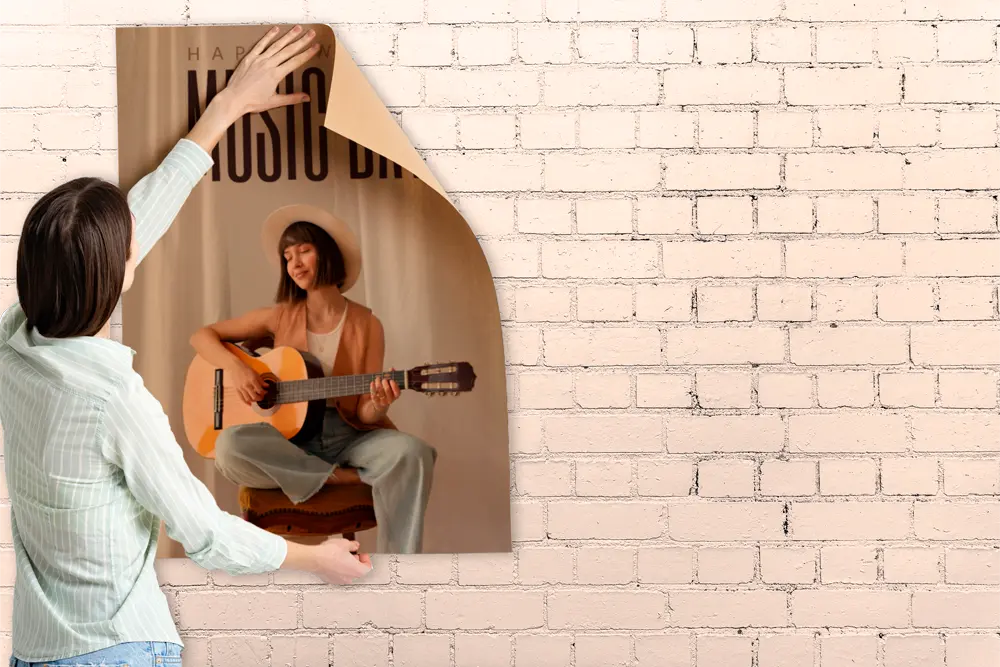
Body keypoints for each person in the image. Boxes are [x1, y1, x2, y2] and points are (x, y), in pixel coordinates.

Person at [0, 26, 373, 667]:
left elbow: (133, 221)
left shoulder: (13, 345)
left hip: (36, 652)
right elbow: (201, 532)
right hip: (118, 651)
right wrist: (317, 559)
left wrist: (225, 109)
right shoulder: (115, 399)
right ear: (119, 272)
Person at [188, 203, 437, 555]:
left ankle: (399, 567)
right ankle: (344, 475)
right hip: (289, 441)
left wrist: (377, 405)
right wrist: (237, 368)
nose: (296, 263)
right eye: (288, 256)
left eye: (305, 250)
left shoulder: (368, 325)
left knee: (414, 452)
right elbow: (202, 336)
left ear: (329, 254)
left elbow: (365, 414)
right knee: (228, 447)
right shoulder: (279, 317)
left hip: (349, 436)